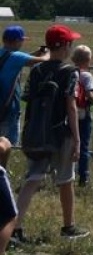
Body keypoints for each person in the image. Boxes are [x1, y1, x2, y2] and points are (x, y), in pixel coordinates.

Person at [14, 24, 85, 241]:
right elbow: (71, 105)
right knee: (66, 179)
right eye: (70, 43)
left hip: (38, 131)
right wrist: (77, 139)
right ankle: (68, 227)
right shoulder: (69, 71)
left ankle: (14, 229)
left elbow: (29, 100)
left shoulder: (36, 70)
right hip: (61, 132)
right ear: (64, 46)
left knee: (32, 179)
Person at [0, 25, 44, 173]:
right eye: (21, 40)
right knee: (6, 143)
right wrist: (48, 52)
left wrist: (35, 53)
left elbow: (20, 60)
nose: (22, 43)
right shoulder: (16, 57)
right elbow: (43, 60)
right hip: (9, 109)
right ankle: (2, 174)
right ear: (16, 41)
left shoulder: (4, 55)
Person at [71, 44, 93, 188]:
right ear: (88, 60)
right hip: (84, 114)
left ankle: (67, 173)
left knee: (69, 144)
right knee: (83, 146)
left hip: (70, 113)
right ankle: (83, 176)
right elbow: (89, 95)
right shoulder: (87, 75)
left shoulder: (70, 73)